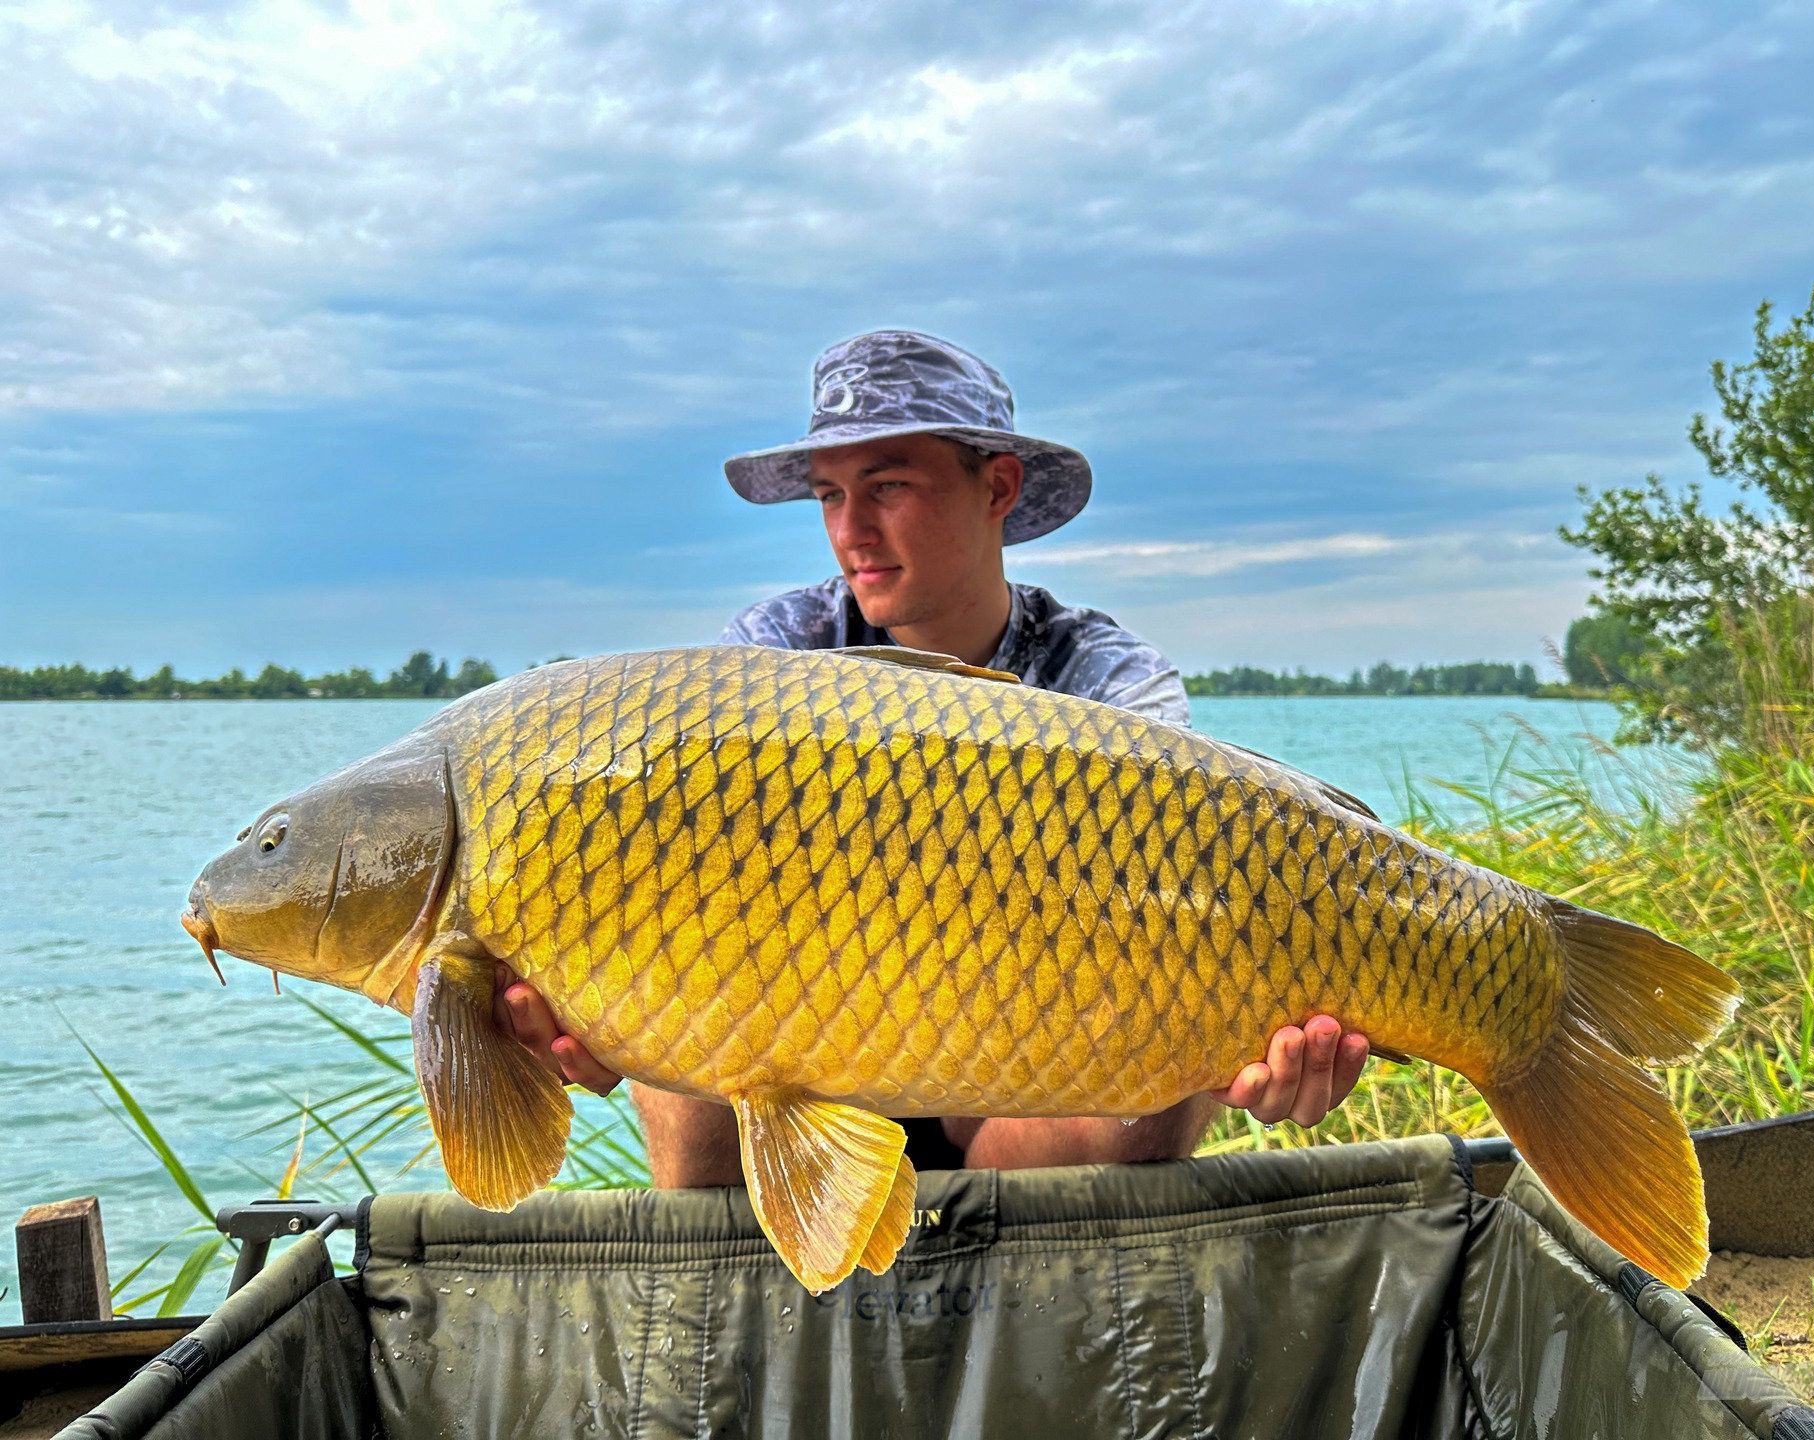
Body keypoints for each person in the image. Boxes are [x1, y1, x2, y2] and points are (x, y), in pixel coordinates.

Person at [495, 330, 1371, 1187]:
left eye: (888, 486)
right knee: (683, 1054)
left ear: (997, 486)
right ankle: (752, 1303)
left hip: (1027, 1064)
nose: (852, 532)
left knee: (1163, 1083)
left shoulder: (1108, 680)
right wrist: (612, 1018)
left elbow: (1184, 900)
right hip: (809, 1045)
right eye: (830, 496)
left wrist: (1258, 1032)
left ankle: (1002, 1303)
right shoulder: (772, 653)